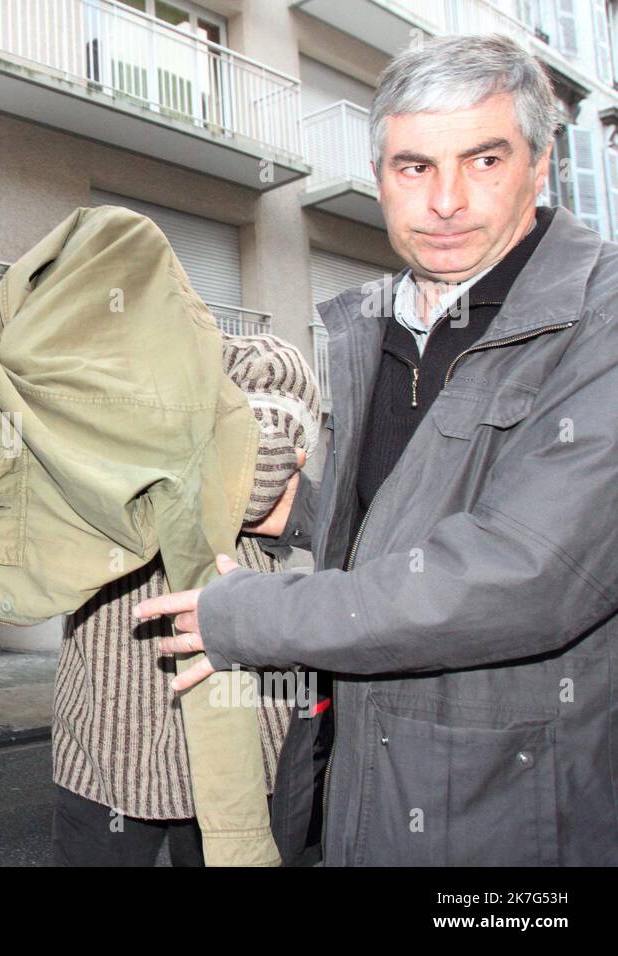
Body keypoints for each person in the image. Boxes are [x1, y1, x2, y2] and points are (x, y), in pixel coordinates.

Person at [135, 34, 618, 866]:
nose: (447, 200)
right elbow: (414, 517)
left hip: (514, 815)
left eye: (485, 159)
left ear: (542, 166)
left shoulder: (600, 317)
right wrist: (307, 513)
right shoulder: (376, 322)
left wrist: (251, 618)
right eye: (415, 168)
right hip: (358, 778)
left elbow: (526, 573)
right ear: (381, 176)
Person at [52, 333, 317, 866]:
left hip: (239, 732)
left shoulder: (261, 360)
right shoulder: (64, 374)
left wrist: (77, 433)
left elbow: (252, 480)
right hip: (100, 733)